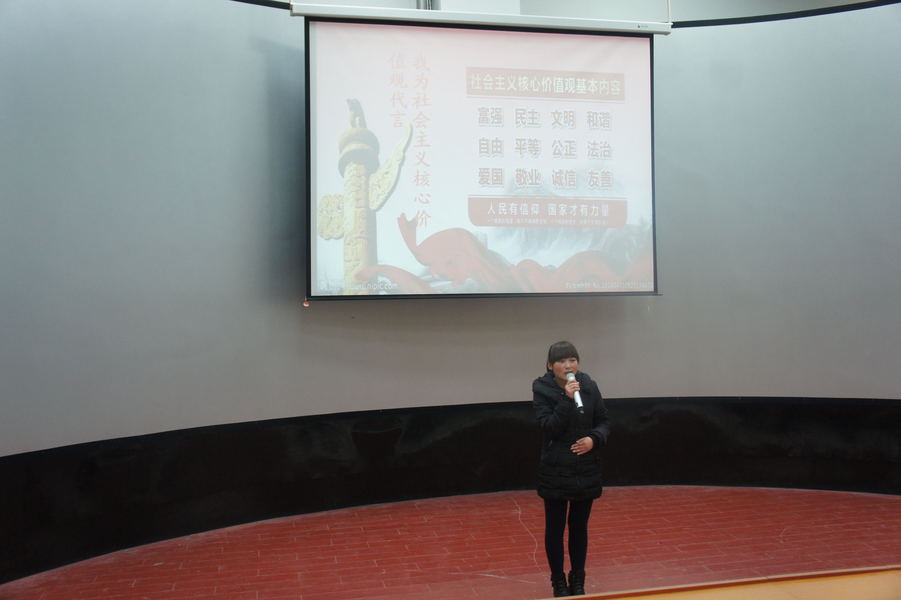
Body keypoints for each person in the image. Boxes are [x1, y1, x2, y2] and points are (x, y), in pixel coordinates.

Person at [533, 341, 610, 597]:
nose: (568, 366)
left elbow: (603, 421)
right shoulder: (542, 389)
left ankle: (578, 579)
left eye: (573, 360)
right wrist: (566, 399)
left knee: (579, 527)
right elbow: (549, 427)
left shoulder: (589, 386)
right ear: (550, 365)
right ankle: (558, 581)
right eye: (562, 361)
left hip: (585, 469)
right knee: (555, 529)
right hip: (555, 469)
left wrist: (594, 440)